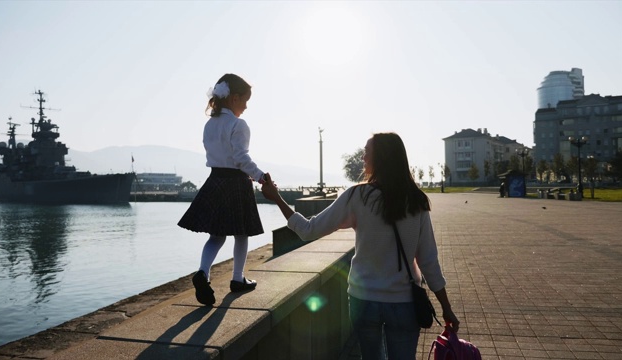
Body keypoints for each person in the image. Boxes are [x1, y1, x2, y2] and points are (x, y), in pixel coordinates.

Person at [262, 133, 460, 359]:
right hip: (404, 302)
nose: (363, 156)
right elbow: (428, 261)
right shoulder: (417, 201)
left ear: (381, 157)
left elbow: (309, 230)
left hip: (364, 300)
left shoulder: (358, 196)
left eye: (367, 151)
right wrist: (446, 307)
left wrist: (277, 197)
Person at [178, 73, 268, 306]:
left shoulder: (210, 124)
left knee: (216, 235)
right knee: (241, 232)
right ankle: (237, 279)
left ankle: (203, 272)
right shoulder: (238, 124)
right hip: (236, 182)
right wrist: (260, 176)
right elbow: (241, 158)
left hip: (215, 180)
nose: (247, 106)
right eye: (245, 100)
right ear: (235, 98)